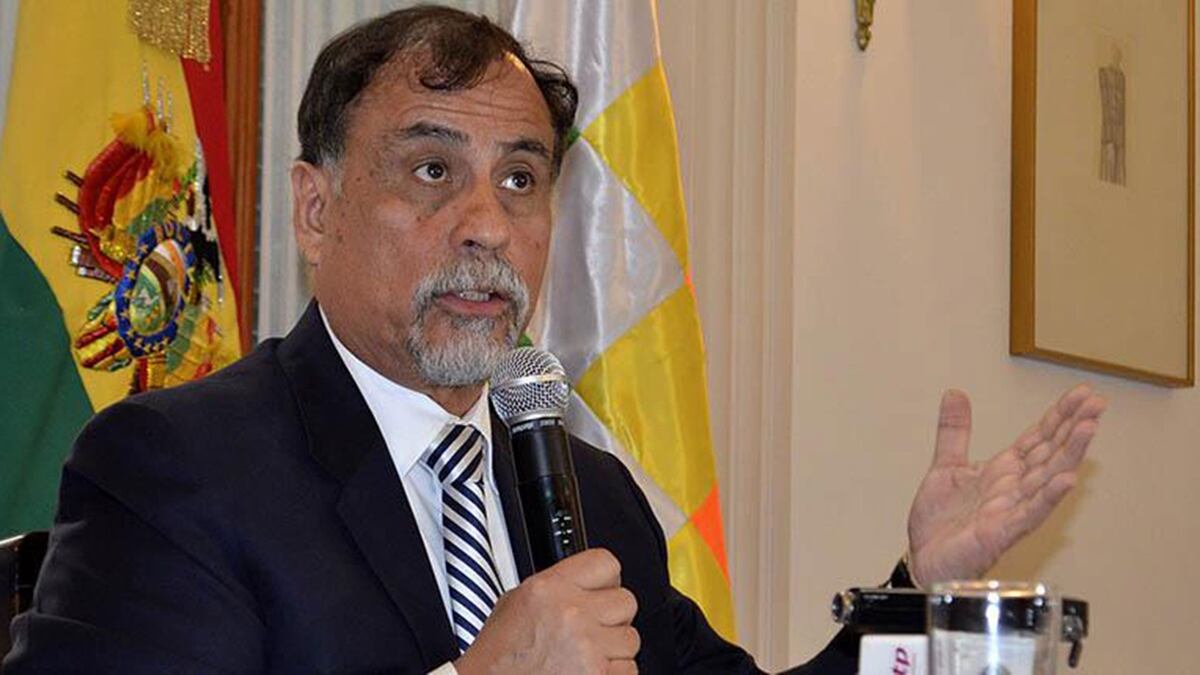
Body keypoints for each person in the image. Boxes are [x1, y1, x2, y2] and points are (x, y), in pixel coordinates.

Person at [4, 6, 1106, 674]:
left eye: (522, 180)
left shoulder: (588, 494)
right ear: (317, 209)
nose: (488, 224)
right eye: (432, 169)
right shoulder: (176, 468)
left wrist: (919, 592)